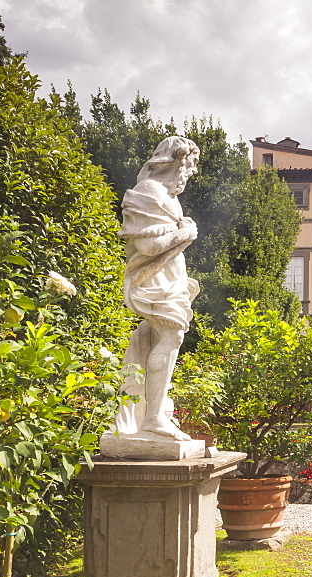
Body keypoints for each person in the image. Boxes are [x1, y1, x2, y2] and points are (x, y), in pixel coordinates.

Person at [110, 136, 200, 440]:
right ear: (175, 163)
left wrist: (182, 232)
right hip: (153, 281)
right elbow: (149, 245)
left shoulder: (170, 197)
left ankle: (148, 411)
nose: (187, 177)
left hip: (171, 278)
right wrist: (185, 233)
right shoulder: (148, 191)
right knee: (171, 334)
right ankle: (152, 418)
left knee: (154, 338)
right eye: (187, 169)